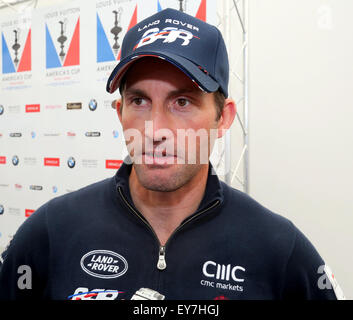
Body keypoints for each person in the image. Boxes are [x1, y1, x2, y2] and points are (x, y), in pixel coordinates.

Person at [0, 8, 345, 300]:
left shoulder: (278, 249)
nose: (155, 129)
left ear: (222, 117)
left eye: (182, 102)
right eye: (139, 101)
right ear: (119, 112)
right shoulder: (51, 231)